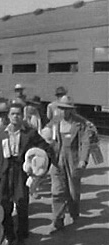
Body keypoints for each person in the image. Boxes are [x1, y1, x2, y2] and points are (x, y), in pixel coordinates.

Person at [0, 102, 55, 245]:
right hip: (5, 173)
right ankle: (9, 235)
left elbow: (46, 148)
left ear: (23, 116)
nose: (15, 117)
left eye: (18, 114)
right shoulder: (1, 132)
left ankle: (21, 238)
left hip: (21, 172)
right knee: (4, 205)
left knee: (21, 204)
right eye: (12, 114)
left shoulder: (30, 133)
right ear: (8, 116)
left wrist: (41, 168)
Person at [45, 95, 90, 233]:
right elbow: (46, 136)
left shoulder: (80, 123)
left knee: (73, 191)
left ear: (72, 110)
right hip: (57, 160)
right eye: (62, 109)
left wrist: (83, 160)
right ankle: (57, 221)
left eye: (67, 109)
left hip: (73, 160)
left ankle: (74, 213)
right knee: (57, 191)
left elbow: (85, 142)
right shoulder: (55, 122)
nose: (64, 112)